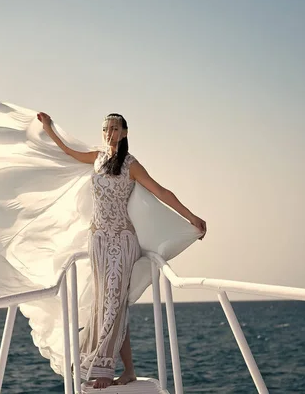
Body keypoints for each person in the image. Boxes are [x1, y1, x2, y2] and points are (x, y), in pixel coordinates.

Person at [37, 111, 207, 389]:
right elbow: (68, 152)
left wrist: (191, 217)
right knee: (108, 305)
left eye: (115, 128)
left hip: (121, 241)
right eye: (106, 128)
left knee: (113, 304)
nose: (109, 133)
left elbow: (161, 192)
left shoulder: (131, 165)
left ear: (125, 132)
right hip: (98, 242)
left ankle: (104, 369)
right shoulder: (96, 158)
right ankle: (128, 371)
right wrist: (48, 127)